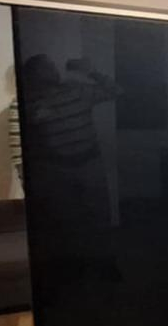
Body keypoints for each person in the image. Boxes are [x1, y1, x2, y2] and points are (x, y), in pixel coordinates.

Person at [18, 54, 118, 229]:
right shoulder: (29, 102)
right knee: (66, 219)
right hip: (57, 169)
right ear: (33, 74)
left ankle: (105, 244)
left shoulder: (77, 91)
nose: (53, 70)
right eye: (45, 67)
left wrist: (92, 72)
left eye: (52, 66)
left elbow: (117, 91)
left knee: (100, 214)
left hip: (90, 163)